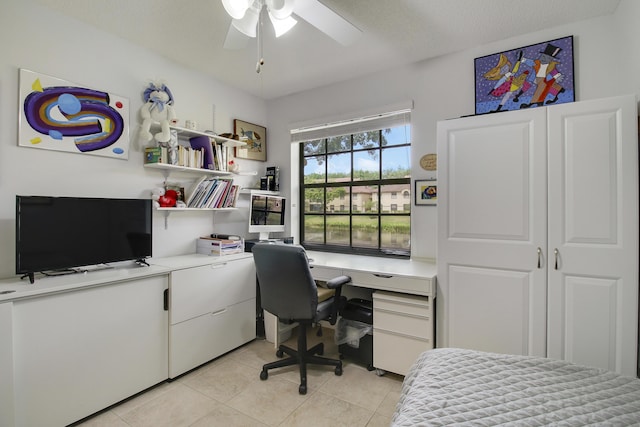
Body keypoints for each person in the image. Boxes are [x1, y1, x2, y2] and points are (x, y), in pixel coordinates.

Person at [519, 43, 566, 108]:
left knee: (541, 90)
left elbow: (554, 72)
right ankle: (539, 101)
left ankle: (534, 103)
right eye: (543, 56)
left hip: (546, 80)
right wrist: (522, 59)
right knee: (546, 89)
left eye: (547, 58)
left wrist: (557, 76)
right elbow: (530, 62)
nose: (544, 59)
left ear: (550, 59)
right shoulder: (537, 63)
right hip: (538, 79)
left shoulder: (551, 66)